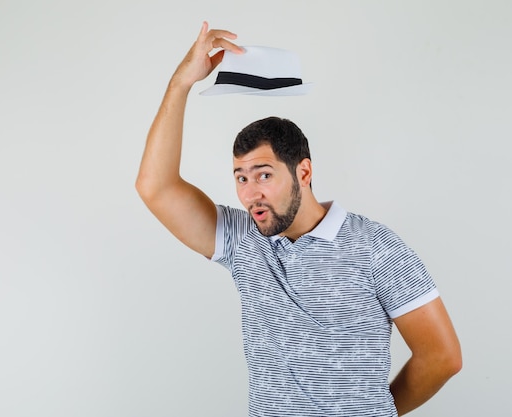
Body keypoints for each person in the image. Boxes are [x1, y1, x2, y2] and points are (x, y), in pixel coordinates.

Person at [135, 22, 462, 417]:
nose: (249, 192)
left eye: (264, 175)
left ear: (303, 173)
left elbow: (442, 356)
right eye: (241, 177)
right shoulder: (244, 240)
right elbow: (155, 187)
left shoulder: (376, 247)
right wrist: (180, 83)